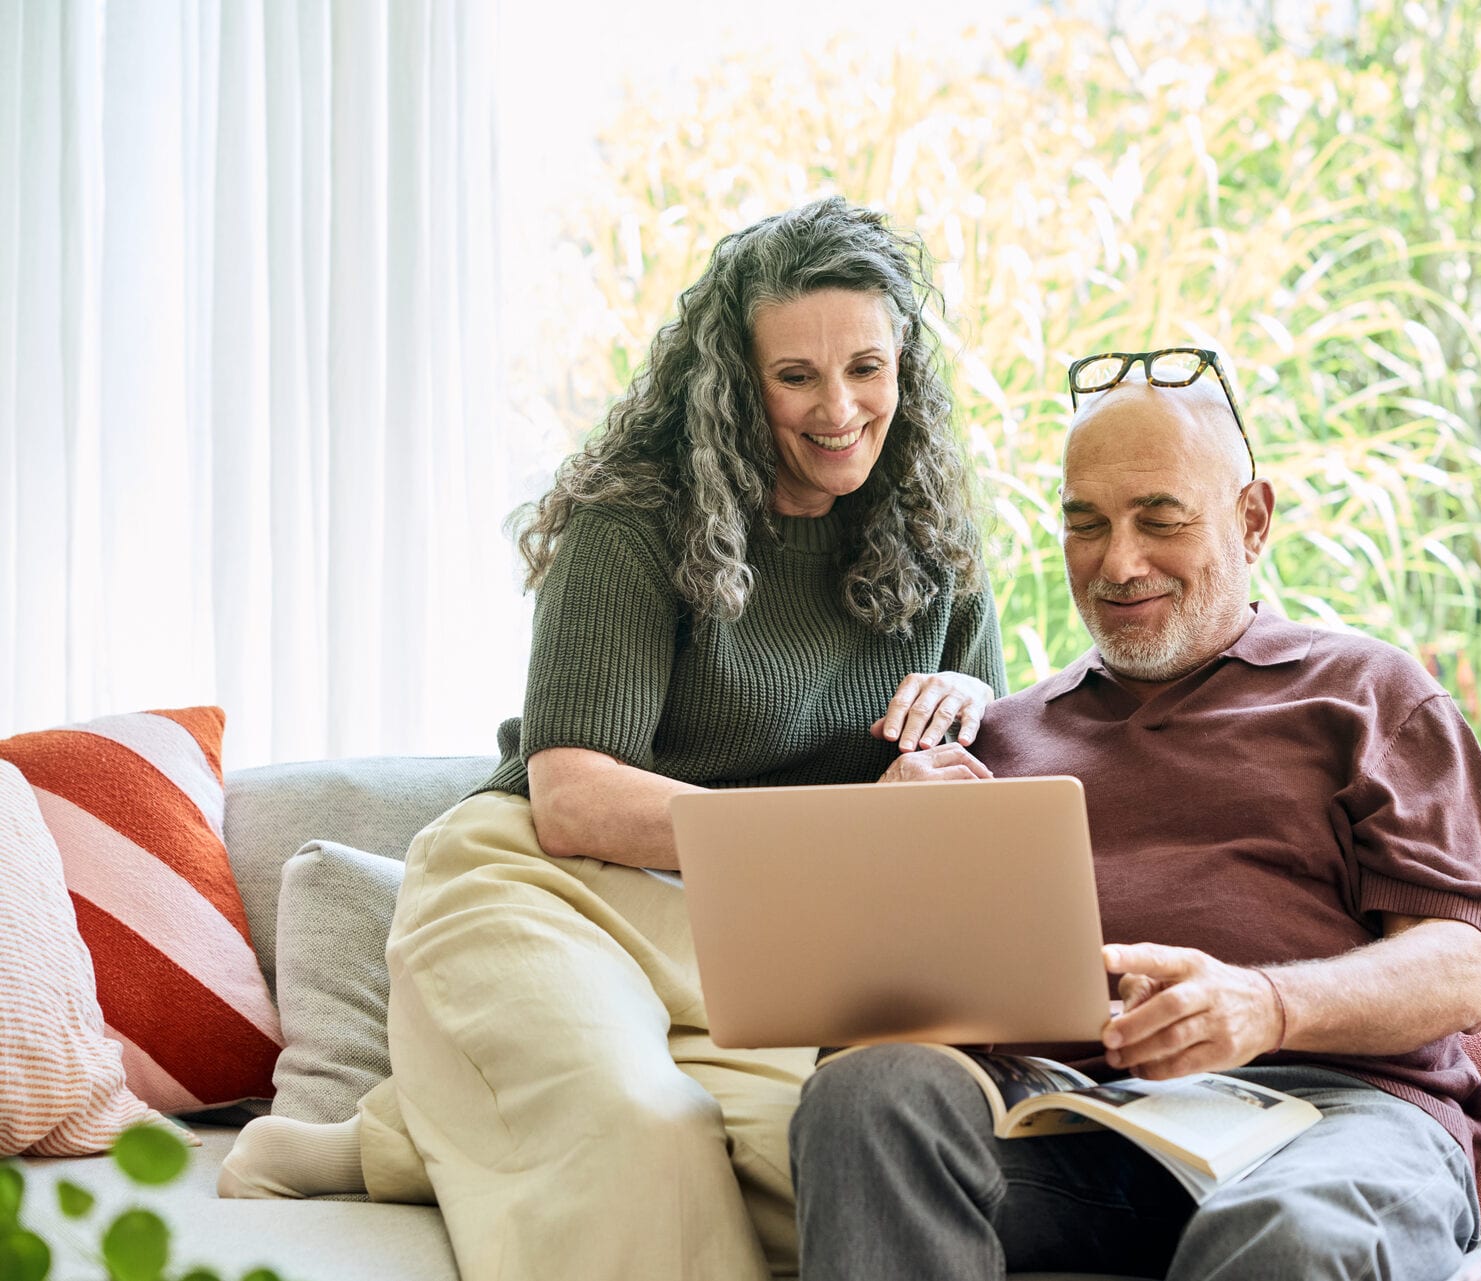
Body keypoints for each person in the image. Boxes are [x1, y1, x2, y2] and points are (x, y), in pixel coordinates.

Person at [216, 197, 1007, 1281]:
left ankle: (388, 1141)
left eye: (867, 368)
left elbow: (973, 819)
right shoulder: (635, 522)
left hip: (757, 941)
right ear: (735, 382)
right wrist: (851, 820)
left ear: (905, 368)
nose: (839, 409)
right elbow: (575, 799)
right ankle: (444, 1124)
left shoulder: (939, 558)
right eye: (795, 377)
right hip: (546, 886)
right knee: (645, 1142)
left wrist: (980, 704)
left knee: (837, 1164)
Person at [788, 349, 1481, 1281]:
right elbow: (854, 1037)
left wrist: (1265, 1004)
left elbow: (1463, 969)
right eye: (1085, 523)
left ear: (1252, 520)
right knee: (865, 1093)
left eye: (1160, 519)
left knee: (1286, 1234)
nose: (1119, 562)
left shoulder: (1368, 695)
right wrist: (885, 864)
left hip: (1327, 1120)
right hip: (1070, 1127)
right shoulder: (994, 742)